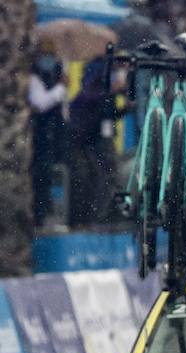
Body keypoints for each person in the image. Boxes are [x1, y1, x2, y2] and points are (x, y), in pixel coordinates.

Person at [66, 59, 121, 228]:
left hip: (92, 141)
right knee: (86, 179)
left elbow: (108, 115)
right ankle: (84, 219)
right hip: (83, 143)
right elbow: (94, 112)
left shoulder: (103, 94)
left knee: (98, 179)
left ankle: (93, 218)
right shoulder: (90, 95)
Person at [29, 37, 67, 227]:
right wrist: (60, 88)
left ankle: (45, 212)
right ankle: (39, 216)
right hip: (39, 137)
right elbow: (40, 103)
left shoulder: (55, 75)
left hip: (53, 137)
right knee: (39, 177)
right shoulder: (33, 77)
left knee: (50, 175)